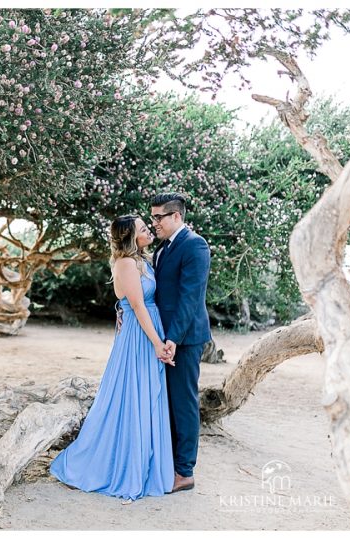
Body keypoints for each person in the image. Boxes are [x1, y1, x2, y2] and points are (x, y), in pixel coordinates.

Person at [49, 214, 176, 502]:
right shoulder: (126, 263)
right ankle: (106, 464)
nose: (148, 230)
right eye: (143, 228)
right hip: (138, 336)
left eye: (147, 226)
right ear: (131, 236)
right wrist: (157, 343)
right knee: (130, 396)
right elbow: (136, 305)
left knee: (147, 396)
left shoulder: (144, 260)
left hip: (149, 327)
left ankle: (147, 464)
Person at [150, 193, 211, 494]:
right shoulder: (162, 249)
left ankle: (184, 471)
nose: (154, 223)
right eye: (152, 218)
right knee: (166, 401)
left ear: (176, 217)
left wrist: (173, 337)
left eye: (159, 217)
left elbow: (190, 298)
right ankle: (168, 462)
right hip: (164, 338)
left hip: (184, 340)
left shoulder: (195, 245)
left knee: (184, 402)